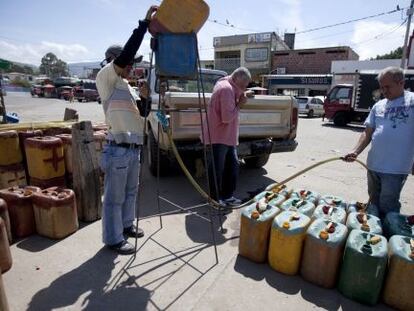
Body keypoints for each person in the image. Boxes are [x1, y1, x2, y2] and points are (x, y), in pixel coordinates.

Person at [96, 5, 157, 255]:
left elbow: (142, 116)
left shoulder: (128, 87)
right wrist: (144, 24)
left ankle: (126, 226)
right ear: (115, 61)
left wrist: (145, 99)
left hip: (133, 149)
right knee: (114, 197)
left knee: (131, 192)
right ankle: (113, 239)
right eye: (129, 63)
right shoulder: (106, 78)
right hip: (118, 150)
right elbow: (125, 55)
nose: (132, 66)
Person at [343, 66, 414, 220]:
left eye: (387, 87)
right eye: (382, 87)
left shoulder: (412, 101)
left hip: (396, 168)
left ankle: (391, 236)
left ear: (401, 83)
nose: (384, 91)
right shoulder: (379, 105)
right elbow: (367, 132)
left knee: (388, 205)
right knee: (373, 203)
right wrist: (355, 151)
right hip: (374, 165)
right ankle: (375, 236)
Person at [201, 67, 252, 207]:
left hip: (226, 137)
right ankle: (214, 200)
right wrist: (240, 104)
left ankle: (227, 196)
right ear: (235, 78)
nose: (243, 89)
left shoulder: (228, 85)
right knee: (217, 169)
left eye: (245, 86)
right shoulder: (226, 90)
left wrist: (240, 96)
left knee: (232, 166)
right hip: (219, 136)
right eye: (242, 85)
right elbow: (227, 117)